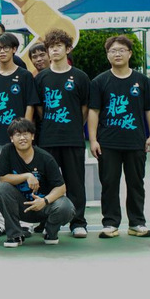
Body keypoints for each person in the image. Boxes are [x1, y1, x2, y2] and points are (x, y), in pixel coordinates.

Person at [88, 35, 150, 239]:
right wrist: (93, 140)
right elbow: (93, 111)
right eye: (113, 51)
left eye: (121, 50)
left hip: (135, 142)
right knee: (109, 183)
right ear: (107, 55)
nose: (117, 54)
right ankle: (110, 223)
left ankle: (137, 223)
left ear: (129, 53)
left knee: (136, 183)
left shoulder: (142, 81)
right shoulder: (99, 81)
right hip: (107, 143)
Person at [0, 32, 39, 237]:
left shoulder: (24, 76)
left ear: (14, 49)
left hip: (20, 141)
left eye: (6, 47)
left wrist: (25, 133)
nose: (2, 51)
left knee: (22, 182)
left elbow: (30, 105)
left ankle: (25, 222)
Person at [35, 29, 90, 238]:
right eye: (51, 47)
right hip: (48, 139)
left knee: (75, 182)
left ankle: (78, 222)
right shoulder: (41, 78)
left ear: (68, 49)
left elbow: (84, 108)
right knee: (46, 183)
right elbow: (40, 108)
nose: (54, 50)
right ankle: (45, 221)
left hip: (73, 139)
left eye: (59, 46)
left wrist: (75, 125)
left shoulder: (80, 77)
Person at [0, 118, 75, 247]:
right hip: (21, 206)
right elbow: (3, 178)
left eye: (25, 134)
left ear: (32, 136)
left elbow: (61, 188)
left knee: (66, 207)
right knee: (1, 189)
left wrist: (44, 201)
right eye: (18, 134)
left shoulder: (45, 158)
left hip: (44, 206)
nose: (22, 138)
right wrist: (27, 176)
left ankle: (50, 231)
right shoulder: (8, 151)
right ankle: (15, 235)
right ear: (11, 138)